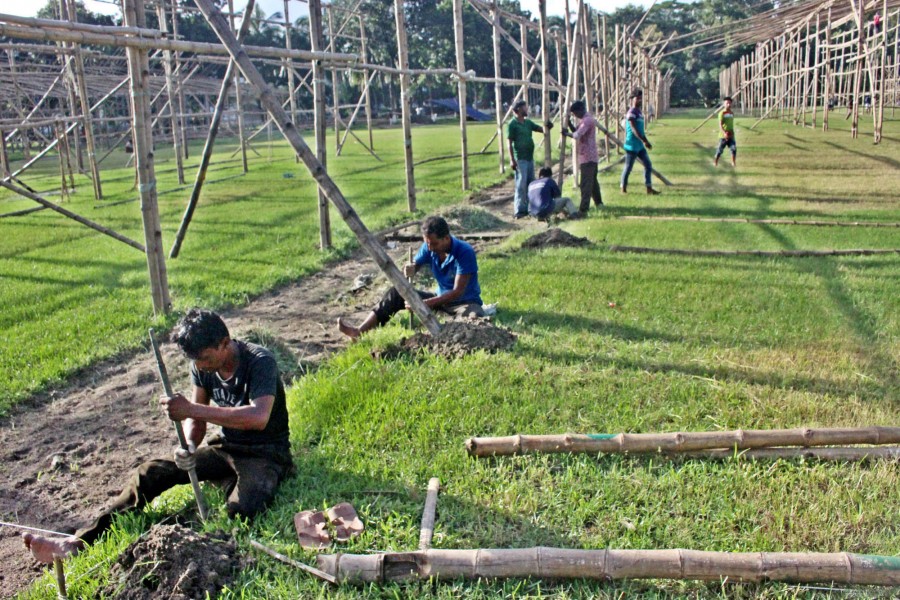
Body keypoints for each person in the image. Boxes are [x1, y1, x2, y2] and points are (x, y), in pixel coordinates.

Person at [22, 309, 293, 561]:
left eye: (206, 359)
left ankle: (226, 501)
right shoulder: (202, 366)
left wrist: (191, 409)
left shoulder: (259, 361)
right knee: (151, 472)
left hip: (265, 452)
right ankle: (77, 543)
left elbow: (259, 417)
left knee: (242, 510)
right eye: (196, 361)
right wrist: (188, 446)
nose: (201, 366)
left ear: (224, 342)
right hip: (226, 447)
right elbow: (196, 422)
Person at [338, 216, 483, 339]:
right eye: (427, 243)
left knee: (471, 319)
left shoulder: (465, 252)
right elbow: (416, 264)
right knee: (396, 293)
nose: (430, 247)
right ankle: (359, 332)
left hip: (464, 302)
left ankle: (448, 337)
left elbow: (457, 291)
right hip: (440, 299)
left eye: (434, 244)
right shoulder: (429, 246)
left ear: (446, 238)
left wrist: (426, 304)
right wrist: (412, 267)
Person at [507, 100, 552, 219]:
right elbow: (509, 143)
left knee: (531, 183)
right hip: (520, 159)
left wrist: (547, 126)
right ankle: (520, 210)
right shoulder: (512, 124)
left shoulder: (528, 123)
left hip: (529, 158)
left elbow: (540, 129)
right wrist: (512, 159)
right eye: (524, 108)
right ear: (518, 110)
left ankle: (531, 208)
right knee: (521, 184)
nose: (527, 110)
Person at [561, 100, 603, 213]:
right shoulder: (586, 119)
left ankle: (583, 209)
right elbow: (577, 130)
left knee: (585, 184)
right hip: (590, 156)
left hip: (587, 157)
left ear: (580, 110)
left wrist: (566, 134)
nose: (575, 116)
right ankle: (599, 203)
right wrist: (569, 124)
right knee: (593, 182)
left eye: (575, 114)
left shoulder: (587, 120)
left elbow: (577, 134)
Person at [621, 89, 660, 195]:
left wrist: (645, 141)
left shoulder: (639, 112)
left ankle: (649, 188)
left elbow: (641, 130)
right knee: (628, 168)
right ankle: (623, 189)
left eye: (640, 98)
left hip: (639, 145)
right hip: (632, 145)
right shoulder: (631, 112)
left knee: (648, 165)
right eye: (637, 98)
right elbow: (634, 129)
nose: (639, 100)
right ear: (632, 99)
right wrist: (644, 141)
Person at [714, 96, 737, 168]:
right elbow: (720, 125)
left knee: (733, 149)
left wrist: (732, 133)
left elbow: (730, 124)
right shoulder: (721, 113)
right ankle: (715, 163)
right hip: (723, 136)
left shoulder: (731, 113)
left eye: (730, 103)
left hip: (731, 135)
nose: (728, 104)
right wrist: (724, 133)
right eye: (727, 103)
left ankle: (733, 163)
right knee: (720, 150)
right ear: (724, 104)